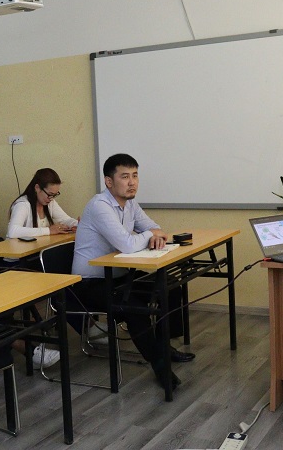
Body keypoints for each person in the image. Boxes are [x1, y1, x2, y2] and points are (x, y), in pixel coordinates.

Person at [71, 153, 194, 389]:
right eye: (125, 176)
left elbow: (154, 227)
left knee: (170, 286)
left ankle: (163, 346)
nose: (132, 182)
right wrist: (150, 236)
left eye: (135, 176)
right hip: (89, 283)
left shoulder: (129, 204)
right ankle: (160, 364)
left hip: (118, 276)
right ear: (109, 181)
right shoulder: (100, 206)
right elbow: (127, 245)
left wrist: (153, 234)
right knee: (134, 307)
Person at [6, 168, 78, 238]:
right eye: (50, 194)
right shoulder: (22, 204)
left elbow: (65, 220)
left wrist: (78, 224)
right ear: (37, 188)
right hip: (19, 246)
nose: (51, 198)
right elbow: (13, 231)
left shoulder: (50, 202)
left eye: (54, 195)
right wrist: (48, 230)